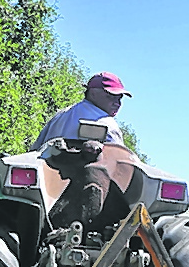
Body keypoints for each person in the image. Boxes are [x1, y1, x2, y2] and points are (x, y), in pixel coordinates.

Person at [36, 73, 133, 231]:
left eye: (120, 98)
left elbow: (36, 151)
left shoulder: (59, 116)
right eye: (111, 96)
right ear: (93, 92)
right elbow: (121, 167)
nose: (118, 102)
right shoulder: (106, 123)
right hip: (91, 202)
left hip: (49, 199)